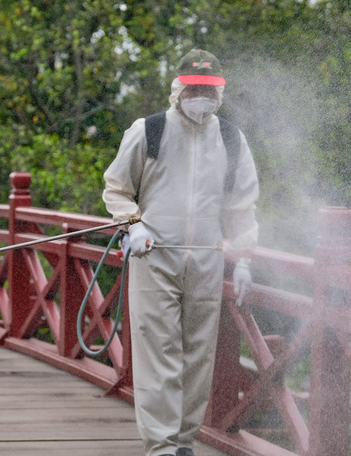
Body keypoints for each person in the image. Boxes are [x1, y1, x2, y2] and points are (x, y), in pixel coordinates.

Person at [102, 49, 259, 456]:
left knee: (197, 354)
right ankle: (162, 446)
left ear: (219, 92)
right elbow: (116, 188)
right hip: (154, 255)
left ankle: (184, 441)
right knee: (159, 351)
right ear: (179, 88)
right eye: (195, 88)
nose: (201, 96)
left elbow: (242, 206)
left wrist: (243, 258)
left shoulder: (230, 138)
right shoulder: (149, 130)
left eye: (209, 89)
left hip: (206, 258)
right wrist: (133, 225)